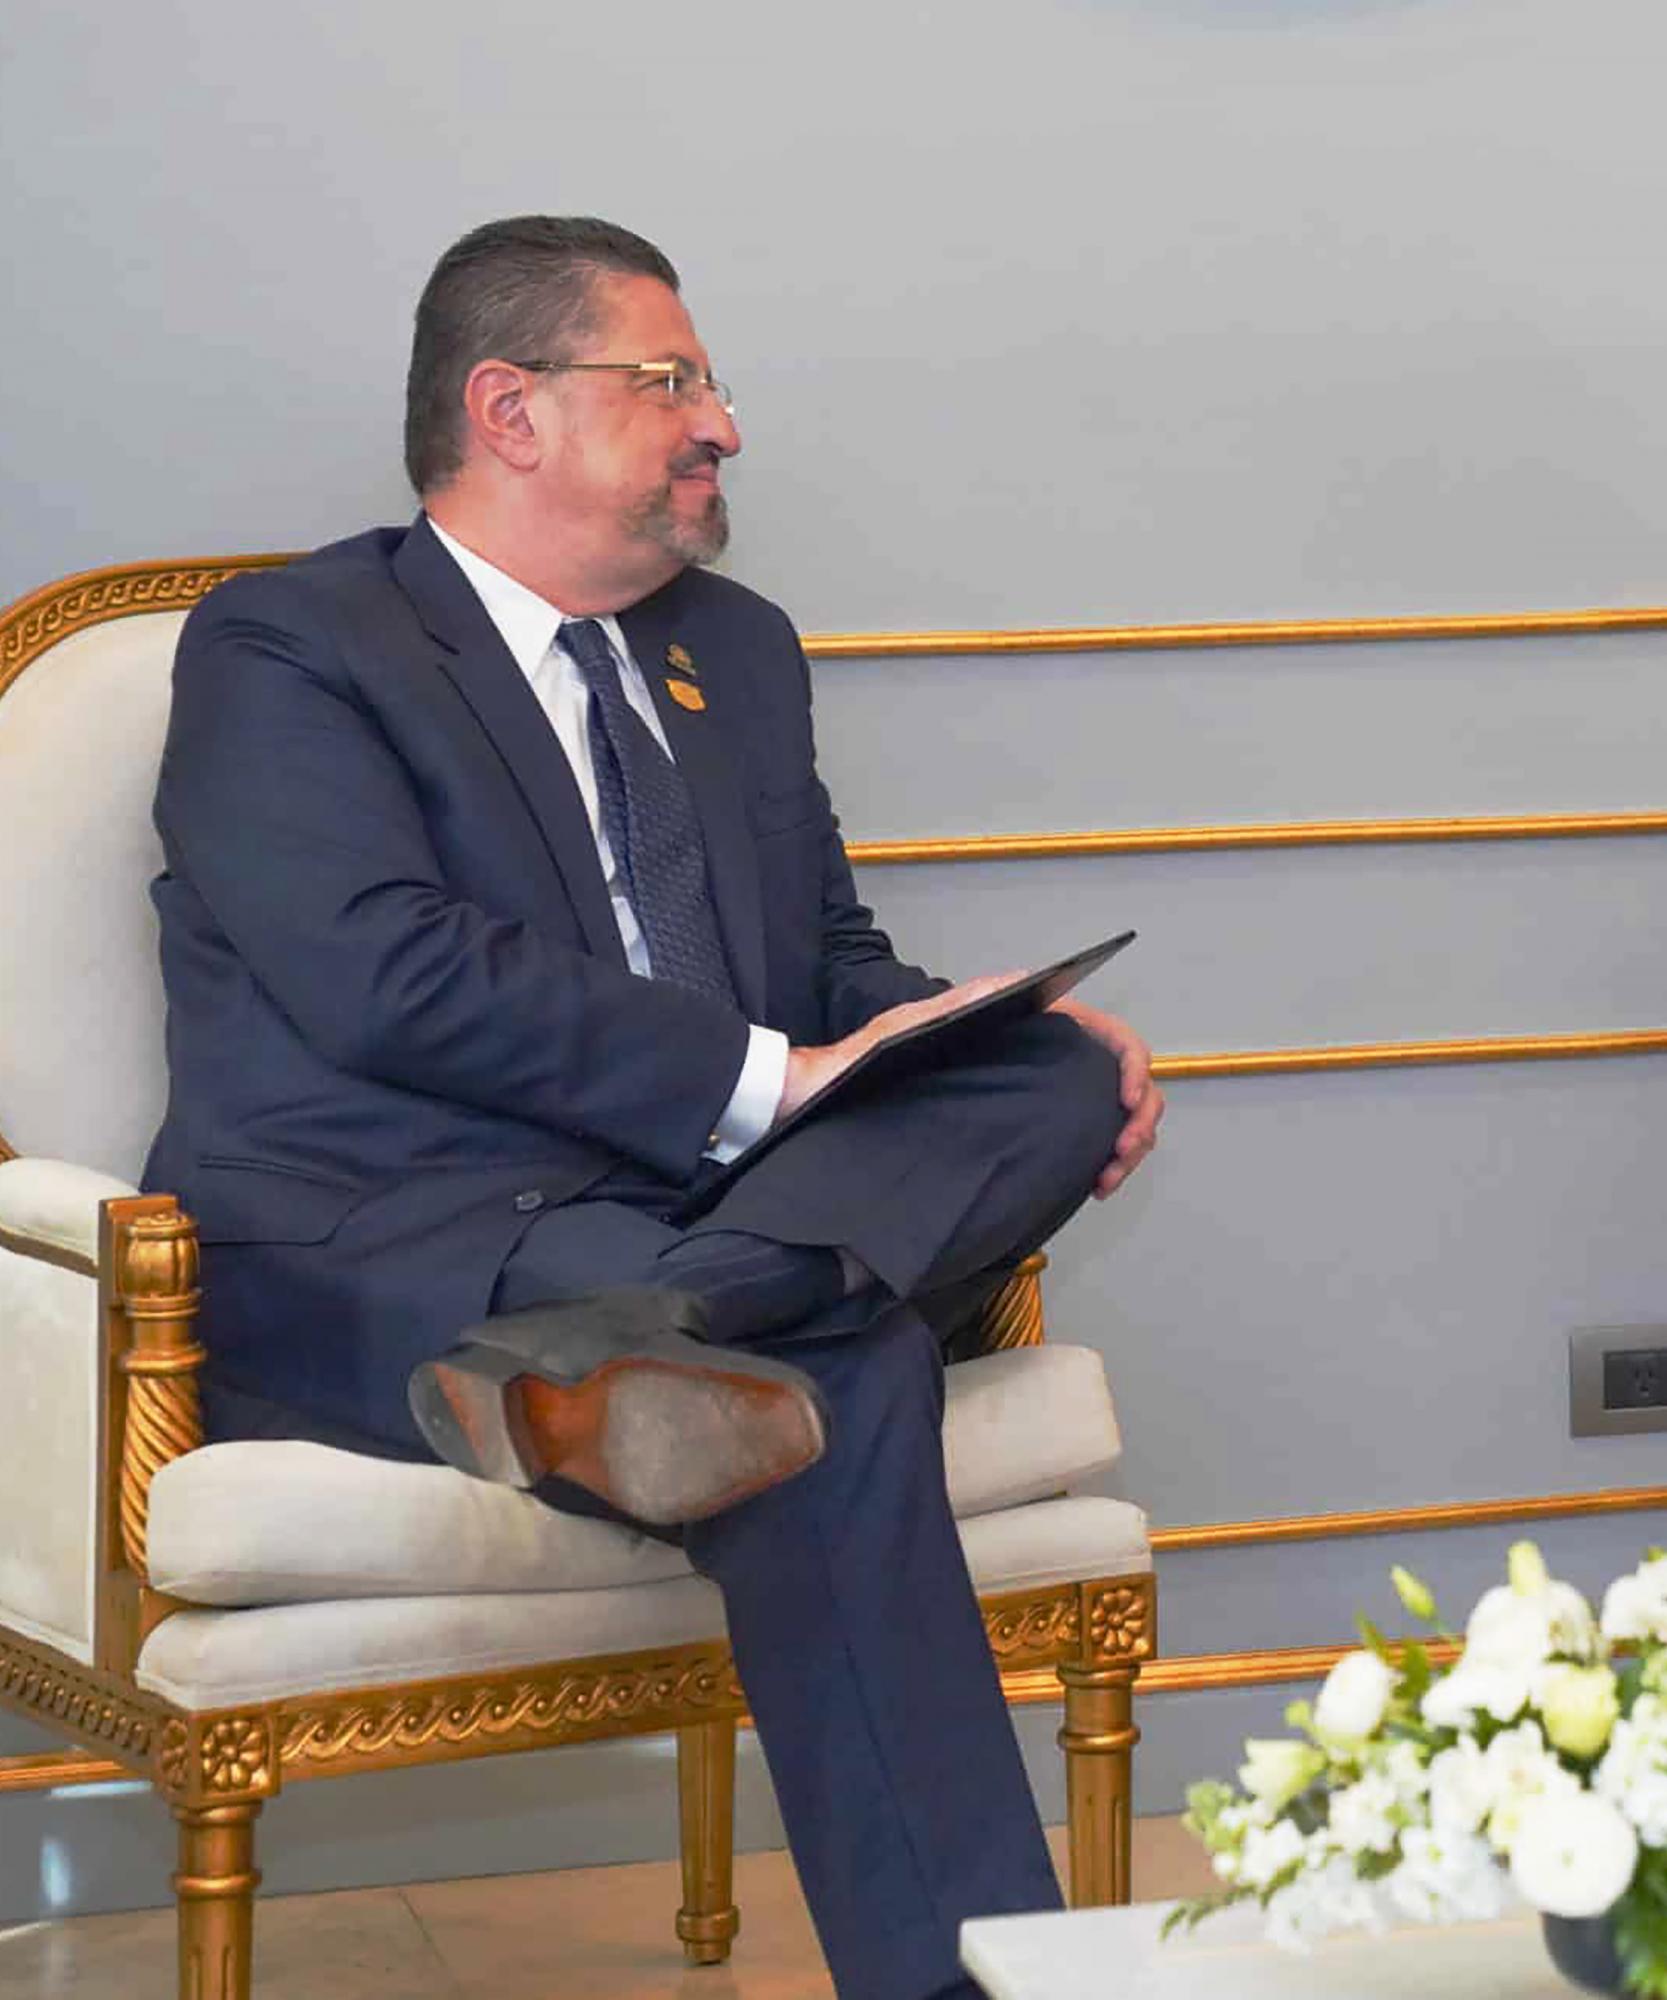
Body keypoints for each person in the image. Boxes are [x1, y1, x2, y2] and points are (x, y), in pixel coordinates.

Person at [146, 215, 1161, 2000]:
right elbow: (387, 971)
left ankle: (676, 1330)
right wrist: (775, 1085)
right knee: (844, 1377)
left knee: (1062, 1067)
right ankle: (976, 1978)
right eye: (672, 380)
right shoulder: (291, 647)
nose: (724, 424)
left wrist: (970, 1032)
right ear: (509, 409)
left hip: (679, 1235)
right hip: (405, 1229)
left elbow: (829, 956)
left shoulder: (736, 650)